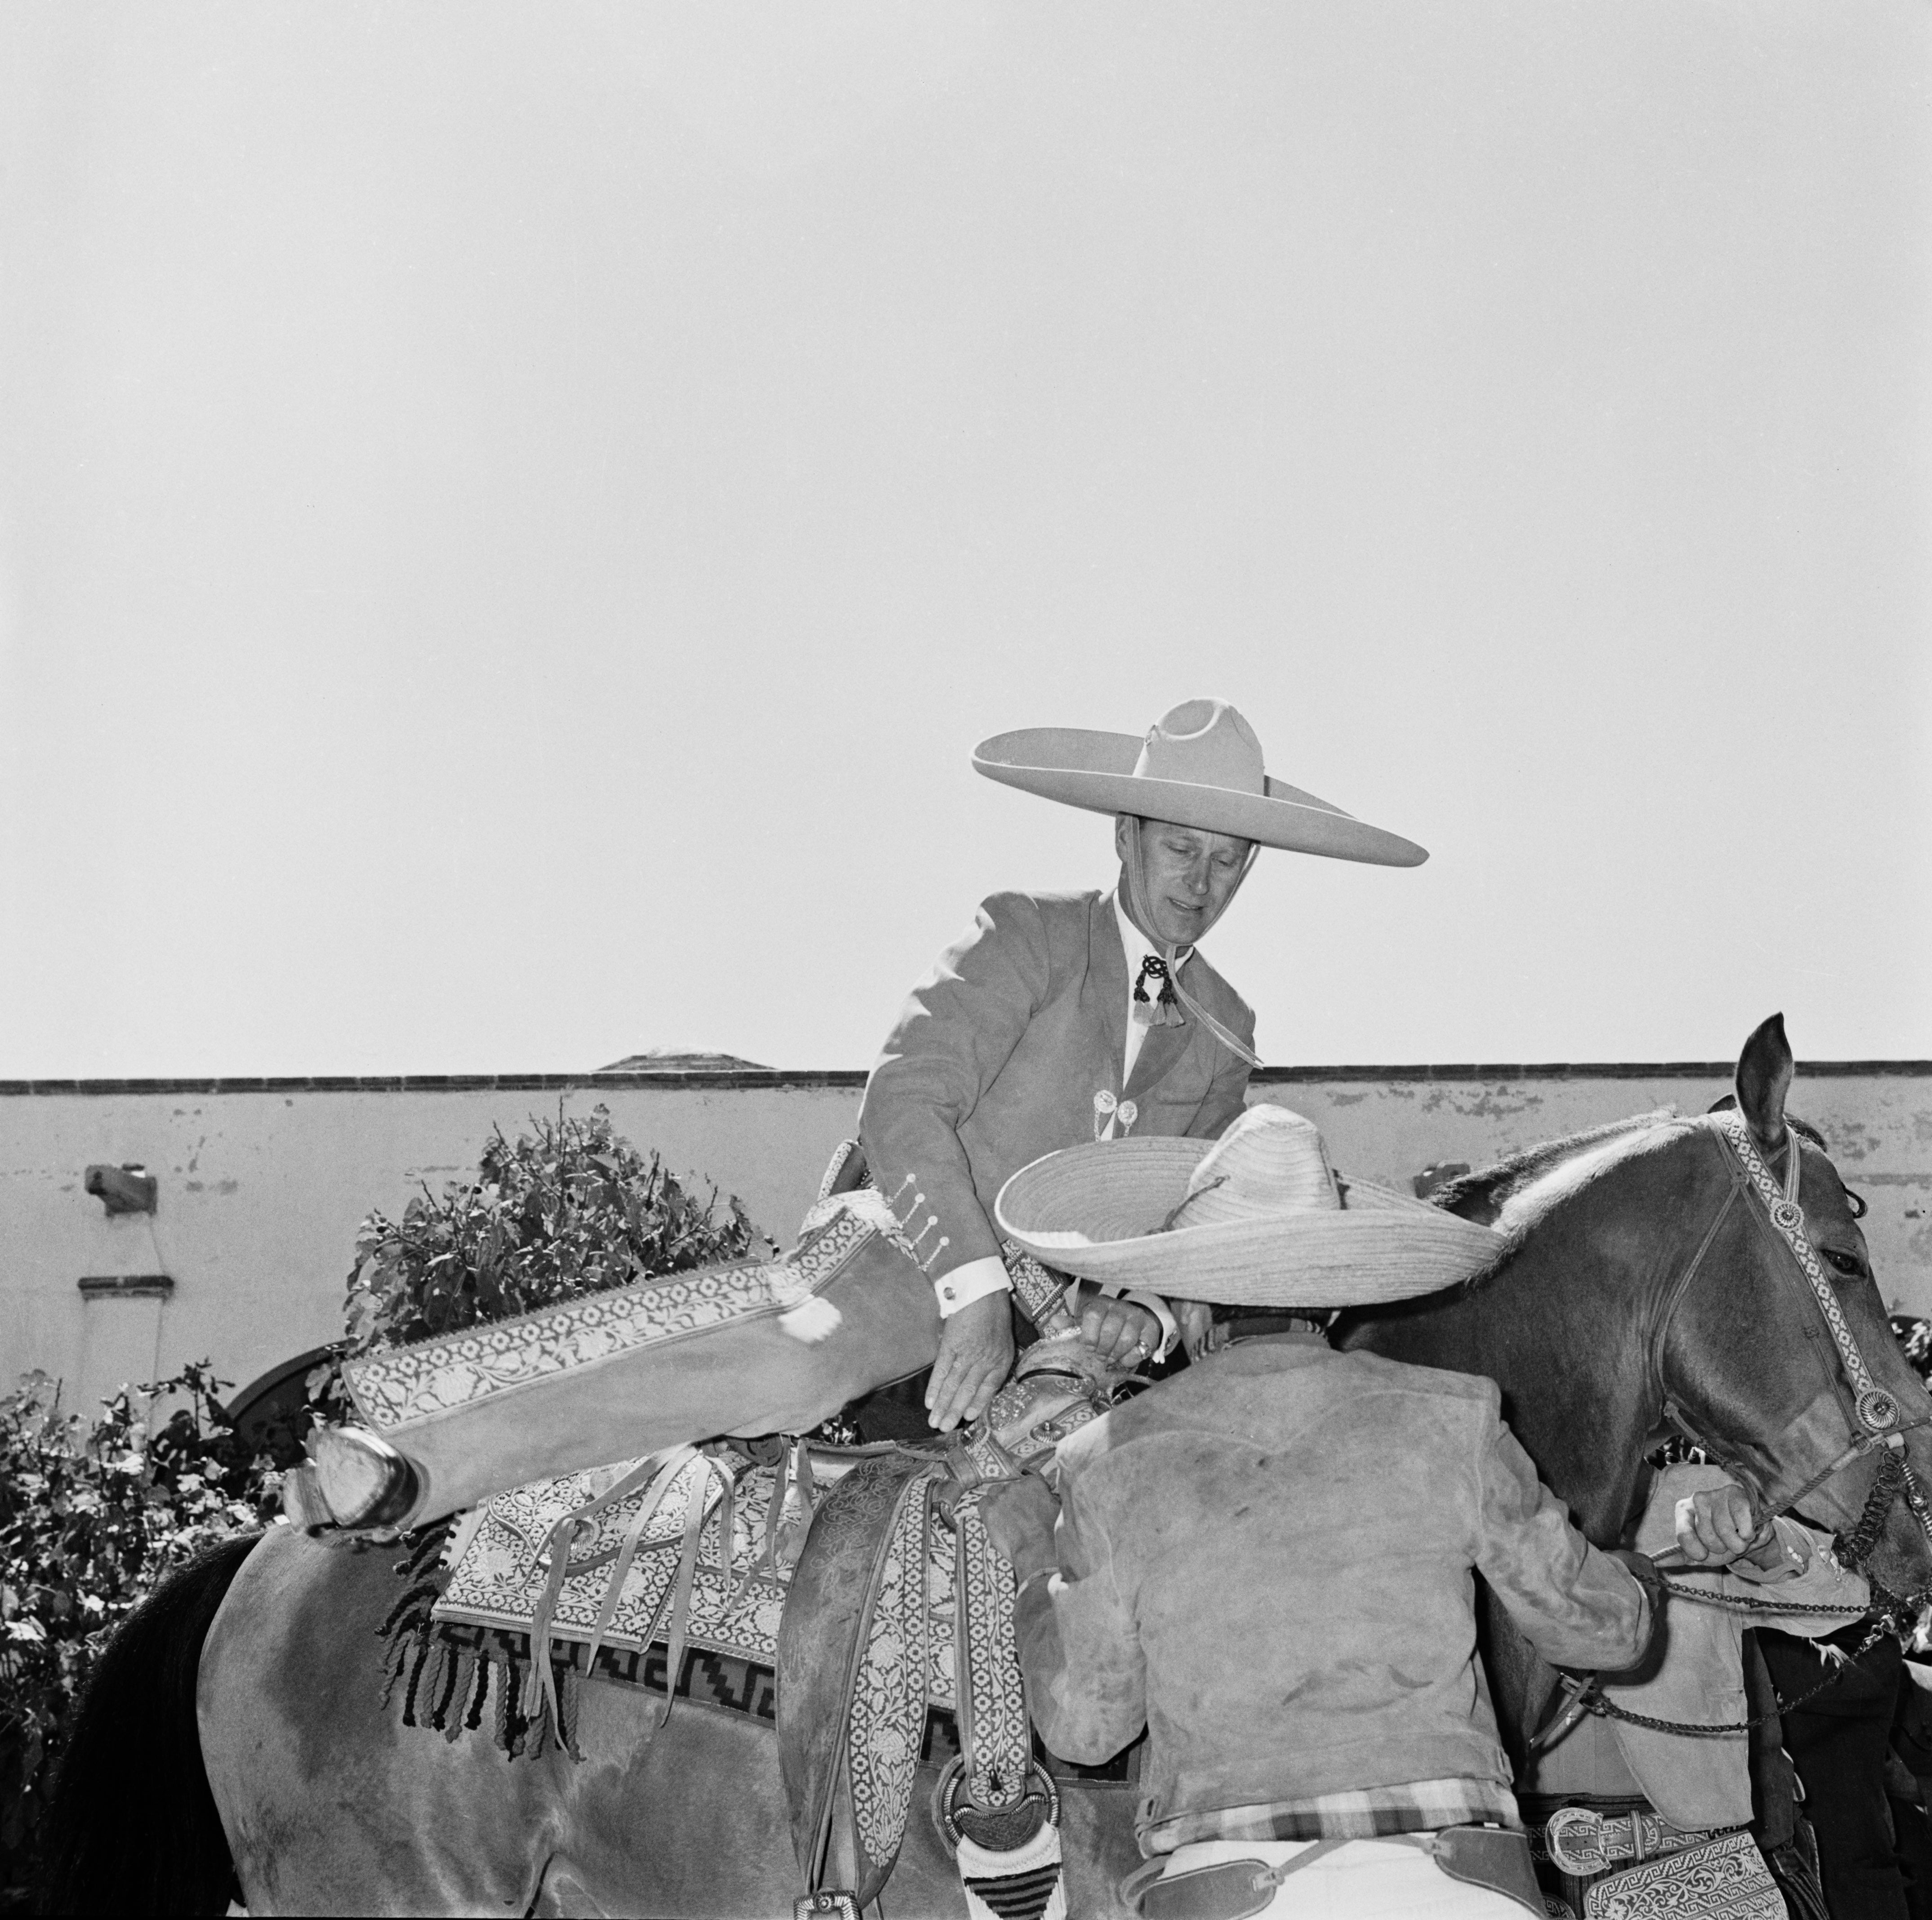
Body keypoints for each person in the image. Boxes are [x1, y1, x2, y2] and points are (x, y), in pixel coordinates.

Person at [980, 1102, 1662, 1918]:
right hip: (1454, 1884)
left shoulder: (1104, 1459)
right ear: (1333, 1300)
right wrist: (1638, 1577)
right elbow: (1601, 1632)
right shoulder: (1454, 1414)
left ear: (1191, 1309)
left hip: (1229, 1890)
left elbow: (1084, 1728)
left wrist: (1030, 1566)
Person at [859, 697, 1426, 1432]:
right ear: (1126, 837)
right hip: (917, 1271)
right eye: (1181, 850)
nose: (1200, 885)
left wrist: (1143, 1307)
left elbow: (1193, 1207)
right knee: (796, 1374)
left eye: (1226, 861)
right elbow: (903, 1100)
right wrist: (973, 1290)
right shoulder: (1030, 931)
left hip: (1077, 1351)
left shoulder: (1227, 1024)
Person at [1525, 1461, 1865, 1917]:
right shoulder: (1478, 1507)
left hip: (1689, 1870)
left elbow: (1843, 1600)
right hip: (1505, 1871)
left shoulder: (1697, 1496)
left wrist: (1764, 1543)